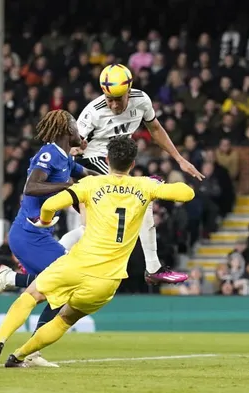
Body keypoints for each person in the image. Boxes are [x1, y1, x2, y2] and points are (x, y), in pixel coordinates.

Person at [0, 137, 195, 367]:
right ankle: (20, 356)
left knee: (32, 295)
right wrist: (156, 185)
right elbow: (187, 194)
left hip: (77, 265)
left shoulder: (91, 184)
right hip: (108, 280)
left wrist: (45, 222)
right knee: (64, 319)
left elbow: (48, 206)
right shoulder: (143, 186)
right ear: (133, 164)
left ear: (107, 160)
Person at [70, 63, 204, 284]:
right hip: (91, 162)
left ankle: (152, 268)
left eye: (118, 98)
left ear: (129, 89)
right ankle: (151, 267)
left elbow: (156, 129)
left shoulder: (141, 101)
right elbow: (74, 145)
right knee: (138, 195)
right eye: (108, 98)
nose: (112, 104)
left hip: (118, 162)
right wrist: (75, 146)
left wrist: (179, 159)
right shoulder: (93, 112)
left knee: (138, 204)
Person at [0, 109, 99, 366]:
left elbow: (88, 177)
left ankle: (11, 280)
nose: (80, 131)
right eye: (75, 126)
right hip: (28, 234)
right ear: (67, 131)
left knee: (59, 285)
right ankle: (30, 351)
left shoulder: (64, 157)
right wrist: (69, 186)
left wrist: (116, 182)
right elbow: (31, 187)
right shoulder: (49, 155)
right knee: (67, 283)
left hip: (38, 234)